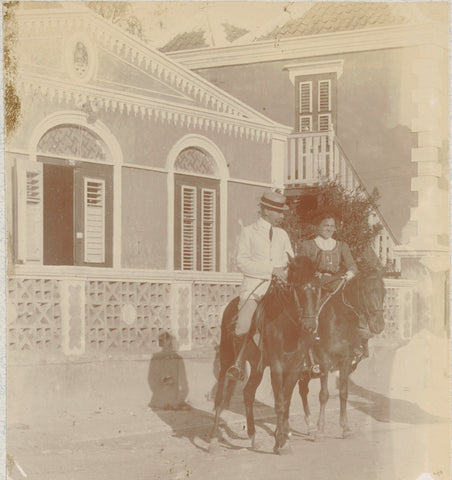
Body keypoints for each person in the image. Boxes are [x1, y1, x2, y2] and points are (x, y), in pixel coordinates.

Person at [226, 191, 294, 381]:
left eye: (282, 212)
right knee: (242, 325)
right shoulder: (248, 232)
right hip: (256, 288)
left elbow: (291, 259)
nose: (282, 216)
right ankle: (238, 363)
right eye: (279, 212)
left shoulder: (282, 234)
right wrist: (271, 270)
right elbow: (241, 262)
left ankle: (304, 361)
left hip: (280, 289)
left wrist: (287, 271)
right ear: (265, 211)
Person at [299, 210, 370, 360]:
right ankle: (310, 341)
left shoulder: (341, 245)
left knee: (353, 305)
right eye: (326, 225)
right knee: (311, 309)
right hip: (316, 285)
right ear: (318, 227)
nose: (330, 229)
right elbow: (302, 267)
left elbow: (352, 266)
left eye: (332, 226)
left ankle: (359, 342)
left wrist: (348, 274)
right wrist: (313, 274)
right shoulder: (308, 245)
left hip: (337, 283)